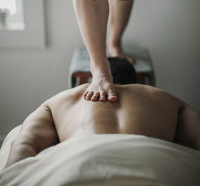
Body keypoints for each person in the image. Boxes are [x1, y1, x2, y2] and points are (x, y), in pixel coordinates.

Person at [5, 57, 200, 168]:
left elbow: (24, 144)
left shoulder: (57, 101)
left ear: (90, 80)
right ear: (137, 83)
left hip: (78, 164)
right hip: (151, 166)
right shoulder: (169, 100)